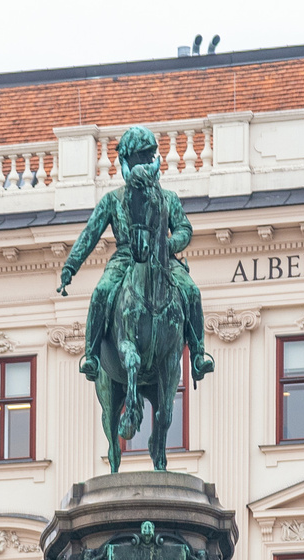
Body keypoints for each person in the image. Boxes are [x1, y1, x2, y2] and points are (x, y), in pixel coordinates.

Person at [57, 125, 214, 387]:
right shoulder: (113, 200)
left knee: (191, 291)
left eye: (148, 156)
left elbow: (184, 228)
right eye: (138, 157)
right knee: (101, 292)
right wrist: (70, 266)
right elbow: (90, 234)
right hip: (125, 258)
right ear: (127, 161)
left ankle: (198, 356)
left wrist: (168, 244)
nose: (143, 161)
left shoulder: (167, 198)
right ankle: (93, 357)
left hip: (162, 259)